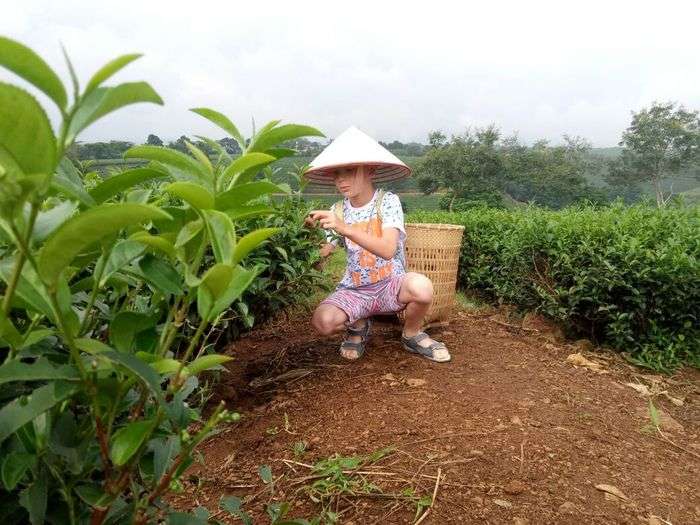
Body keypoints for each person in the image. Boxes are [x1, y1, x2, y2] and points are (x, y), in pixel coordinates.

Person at [304, 126, 450, 362]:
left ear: (370, 170)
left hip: (390, 285)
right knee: (324, 322)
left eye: (349, 171)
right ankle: (358, 323)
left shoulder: (387, 202)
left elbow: (388, 249)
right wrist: (307, 239)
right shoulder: (338, 210)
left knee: (422, 287)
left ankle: (412, 333)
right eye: (337, 173)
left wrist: (344, 228)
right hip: (355, 290)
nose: (341, 179)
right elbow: (323, 255)